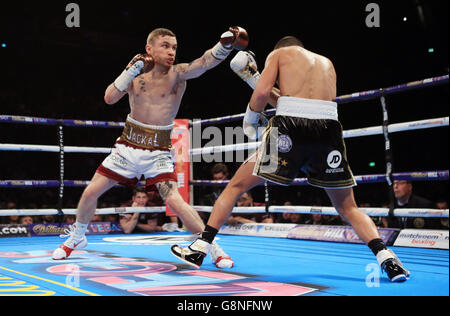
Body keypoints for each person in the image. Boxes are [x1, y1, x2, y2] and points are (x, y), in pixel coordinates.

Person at [172, 36, 410, 282]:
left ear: (280, 48)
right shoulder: (327, 63)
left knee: (236, 186)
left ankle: (200, 248)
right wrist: (254, 80)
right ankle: (387, 259)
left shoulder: (278, 55)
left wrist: (251, 118)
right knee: (349, 207)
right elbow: (300, 104)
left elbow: (263, 93)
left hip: (290, 131)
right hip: (328, 132)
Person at [53, 26, 250, 269]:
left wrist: (225, 45)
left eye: (174, 47)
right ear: (149, 48)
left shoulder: (178, 73)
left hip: (158, 149)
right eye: (165, 46)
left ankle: (213, 249)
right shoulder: (136, 75)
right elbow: (109, 97)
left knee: (175, 200)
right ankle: (77, 237)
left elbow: (205, 62)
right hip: (128, 145)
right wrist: (129, 70)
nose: (171, 52)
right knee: (91, 192)